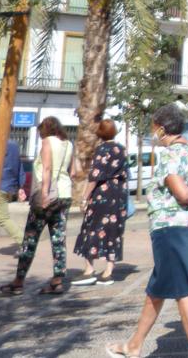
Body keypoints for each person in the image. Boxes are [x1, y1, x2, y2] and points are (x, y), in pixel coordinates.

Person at [106, 104, 188, 358]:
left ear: (163, 129)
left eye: (154, 127)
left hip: (172, 228)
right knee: (157, 289)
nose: (152, 132)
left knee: (183, 289)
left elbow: (180, 192)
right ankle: (134, 345)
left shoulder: (169, 154)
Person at [0, 116, 75, 296]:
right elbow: (75, 171)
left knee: (30, 239)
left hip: (47, 195)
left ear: (45, 131)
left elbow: (47, 168)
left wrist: (45, 193)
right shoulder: (69, 144)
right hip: (65, 194)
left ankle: (18, 281)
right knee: (58, 239)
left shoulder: (48, 142)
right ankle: (57, 281)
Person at [71, 117, 129, 286]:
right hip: (118, 193)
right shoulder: (122, 149)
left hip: (102, 194)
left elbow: (95, 177)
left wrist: (84, 197)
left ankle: (89, 269)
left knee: (92, 228)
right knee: (114, 230)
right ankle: (108, 272)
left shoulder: (102, 150)